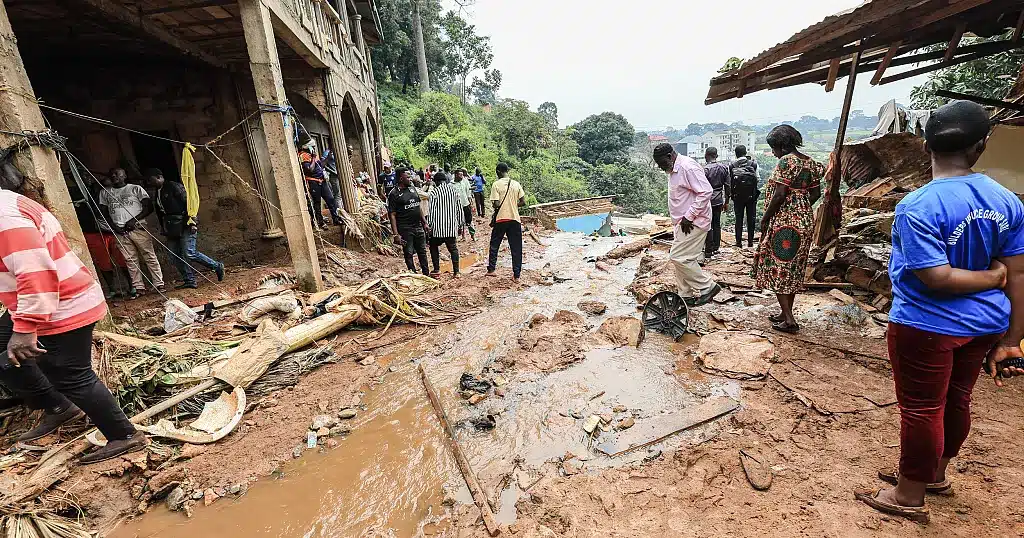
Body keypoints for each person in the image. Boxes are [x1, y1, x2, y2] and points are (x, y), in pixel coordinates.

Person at [856, 101, 1024, 523]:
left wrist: (991, 277)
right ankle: (934, 474)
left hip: (926, 325)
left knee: (921, 409)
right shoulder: (1007, 201)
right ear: (981, 146)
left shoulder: (918, 206)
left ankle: (908, 495)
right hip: (985, 324)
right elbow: (1019, 274)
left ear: (926, 145)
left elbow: (937, 277)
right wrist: (1011, 339)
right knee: (957, 398)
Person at [0, 164, 145, 463]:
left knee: (70, 374)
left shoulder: (4, 216)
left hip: (61, 304)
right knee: (9, 347)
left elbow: (35, 273)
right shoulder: (9, 204)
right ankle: (57, 406)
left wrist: (25, 328)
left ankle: (124, 435)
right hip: (49, 300)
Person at [751, 126, 824, 333]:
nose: (773, 153)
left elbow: (780, 194)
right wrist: (800, 207)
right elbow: (815, 194)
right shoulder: (810, 162)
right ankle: (785, 313)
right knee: (793, 270)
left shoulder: (786, 161)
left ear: (782, 146)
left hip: (785, 223)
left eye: (774, 148)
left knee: (780, 268)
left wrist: (766, 218)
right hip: (804, 222)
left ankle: (790, 320)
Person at [653, 143, 721, 307]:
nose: (660, 167)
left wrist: (689, 216)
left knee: (678, 257)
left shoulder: (687, 167)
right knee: (683, 258)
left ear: (670, 156)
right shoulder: (674, 168)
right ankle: (685, 295)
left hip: (693, 222)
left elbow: (706, 191)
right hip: (682, 222)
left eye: (662, 163)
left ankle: (708, 287)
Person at [146, 169, 225, 290]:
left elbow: (189, 203)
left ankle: (216, 266)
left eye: (150, 180)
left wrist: (193, 222)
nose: (148, 182)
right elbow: (160, 212)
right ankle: (189, 280)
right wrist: (164, 227)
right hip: (171, 227)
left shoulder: (174, 186)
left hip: (185, 223)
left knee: (189, 252)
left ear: (159, 177)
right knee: (174, 255)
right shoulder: (157, 191)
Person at [98, 168, 164, 298]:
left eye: (117, 173)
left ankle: (159, 284)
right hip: (119, 231)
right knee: (130, 260)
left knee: (149, 256)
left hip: (138, 227)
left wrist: (134, 220)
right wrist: (114, 227)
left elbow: (148, 207)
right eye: (111, 174)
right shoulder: (104, 192)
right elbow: (104, 213)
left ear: (124, 175)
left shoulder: (135, 189)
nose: (114, 176)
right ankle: (138, 287)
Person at [74, 179, 133, 300]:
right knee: (103, 263)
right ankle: (112, 289)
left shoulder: (105, 191)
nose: (85, 178)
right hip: (92, 232)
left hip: (113, 231)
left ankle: (133, 286)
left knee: (123, 260)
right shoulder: (75, 192)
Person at [487, 163, 526, 281]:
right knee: (516, 247)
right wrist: (513, 204)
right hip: (514, 219)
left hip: (501, 218)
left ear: (498, 171)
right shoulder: (516, 184)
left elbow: (496, 204)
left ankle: (492, 270)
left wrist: (496, 205)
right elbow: (523, 202)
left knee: (494, 244)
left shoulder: (496, 184)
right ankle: (516, 275)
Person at [388, 168, 430, 275]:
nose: (410, 179)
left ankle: (426, 274)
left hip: (418, 226)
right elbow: (392, 215)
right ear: (401, 179)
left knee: (422, 251)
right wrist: (396, 234)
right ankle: (413, 274)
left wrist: (424, 222)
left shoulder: (412, 188)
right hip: (405, 228)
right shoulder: (394, 193)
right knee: (409, 253)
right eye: (408, 177)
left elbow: (418, 207)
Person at [425, 172, 462, 277]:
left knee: (433, 246)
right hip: (451, 227)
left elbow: (431, 211)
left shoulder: (434, 192)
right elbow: (459, 209)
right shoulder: (454, 191)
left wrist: (429, 226)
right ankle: (456, 272)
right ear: (445, 180)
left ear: (436, 181)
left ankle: (437, 269)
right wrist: (460, 225)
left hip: (438, 228)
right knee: (453, 249)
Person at [298, 144, 342, 229]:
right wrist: (313, 158)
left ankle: (336, 219)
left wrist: (328, 158)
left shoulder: (312, 155)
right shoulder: (303, 156)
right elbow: (310, 169)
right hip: (313, 182)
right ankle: (320, 222)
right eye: (312, 146)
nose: (314, 148)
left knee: (330, 200)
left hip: (322, 181)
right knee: (317, 203)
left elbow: (321, 165)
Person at [730, 145, 760, 248]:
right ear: (745, 153)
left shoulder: (732, 166)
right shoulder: (753, 164)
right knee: (751, 218)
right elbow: (757, 179)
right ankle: (750, 242)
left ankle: (738, 242)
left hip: (737, 197)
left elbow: (731, 181)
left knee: (739, 219)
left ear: (736, 154)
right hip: (751, 196)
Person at [703, 147, 731, 258]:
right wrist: (727, 201)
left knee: (707, 224)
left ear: (706, 155)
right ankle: (716, 247)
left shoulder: (705, 170)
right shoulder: (724, 168)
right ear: (717, 156)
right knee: (716, 223)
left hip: (707, 200)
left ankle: (708, 249)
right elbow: (727, 186)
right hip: (719, 200)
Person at [453, 168, 476, 240]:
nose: (462, 176)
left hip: (466, 204)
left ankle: (472, 235)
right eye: (460, 175)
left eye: (462, 175)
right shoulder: (451, 185)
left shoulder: (465, 181)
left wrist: (471, 203)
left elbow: (468, 193)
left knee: (469, 221)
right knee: (459, 221)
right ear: (456, 175)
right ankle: (462, 236)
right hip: (457, 206)